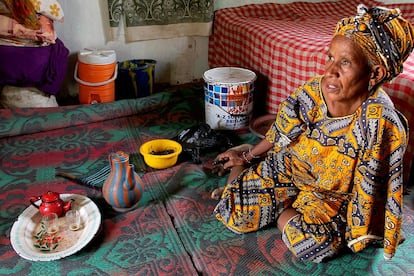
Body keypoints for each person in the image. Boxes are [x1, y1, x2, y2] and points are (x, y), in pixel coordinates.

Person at [210, 4, 414, 263]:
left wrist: (356, 228)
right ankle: (250, 172)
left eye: (345, 62)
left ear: (375, 73)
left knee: (315, 247)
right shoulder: (312, 92)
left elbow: (371, 187)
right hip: (289, 166)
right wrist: (248, 156)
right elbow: (282, 130)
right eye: (330, 58)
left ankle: (285, 207)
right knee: (233, 214)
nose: (330, 71)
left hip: (332, 195)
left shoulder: (380, 120)